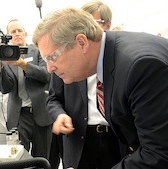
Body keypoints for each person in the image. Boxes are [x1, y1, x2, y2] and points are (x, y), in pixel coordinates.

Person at [32, 7, 168, 169]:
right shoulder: (110, 55)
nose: (50, 68)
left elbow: (159, 156)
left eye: (52, 57)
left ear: (81, 42)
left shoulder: (141, 66)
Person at [47, 1, 123, 169]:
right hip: (79, 139)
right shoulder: (65, 62)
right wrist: (59, 115)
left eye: (93, 24)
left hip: (115, 140)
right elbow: (53, 99)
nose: (86, 30)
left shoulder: (122, 62)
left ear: (107, 25)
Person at [0, 19, 52, 158]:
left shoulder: (38, 51)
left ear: (25, 34)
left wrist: (22, 64)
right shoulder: (4, 56)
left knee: (43, 158)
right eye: (13, 31)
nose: (17, 34)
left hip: (41, 114)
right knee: (18, 158)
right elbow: (4, 88)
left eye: (20, 30)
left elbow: (46, 75)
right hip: (19, 116)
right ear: (7, 36)